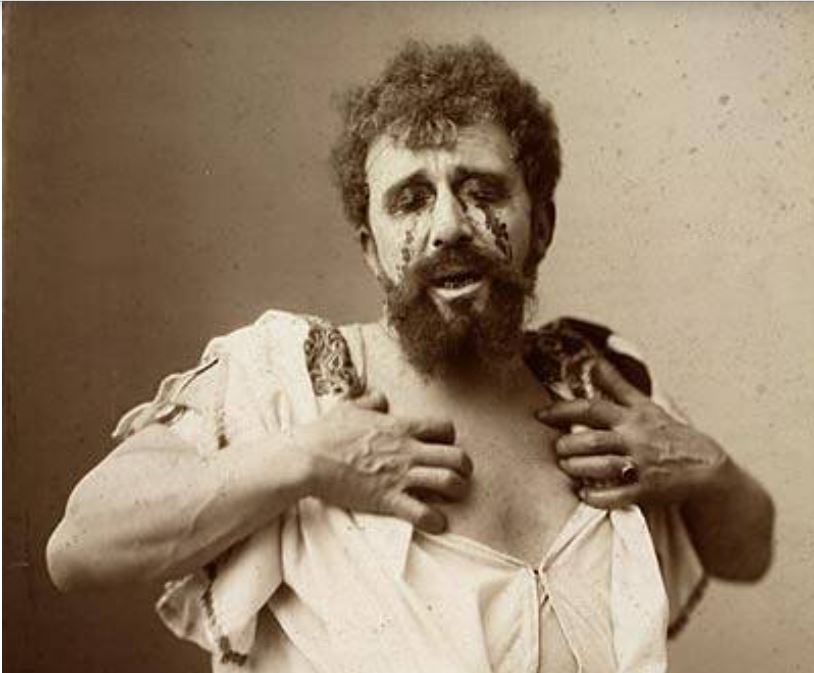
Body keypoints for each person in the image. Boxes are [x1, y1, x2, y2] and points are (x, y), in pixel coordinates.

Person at [46, 40, 774, 673]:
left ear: (542, 224)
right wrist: (306, 459)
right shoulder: (291, 379)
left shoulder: (594, 377)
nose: (449, 226)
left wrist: (710, 470)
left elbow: (747, 553)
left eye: (482, 190)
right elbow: (77, 547)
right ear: (371, 248)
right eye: (410, 200)